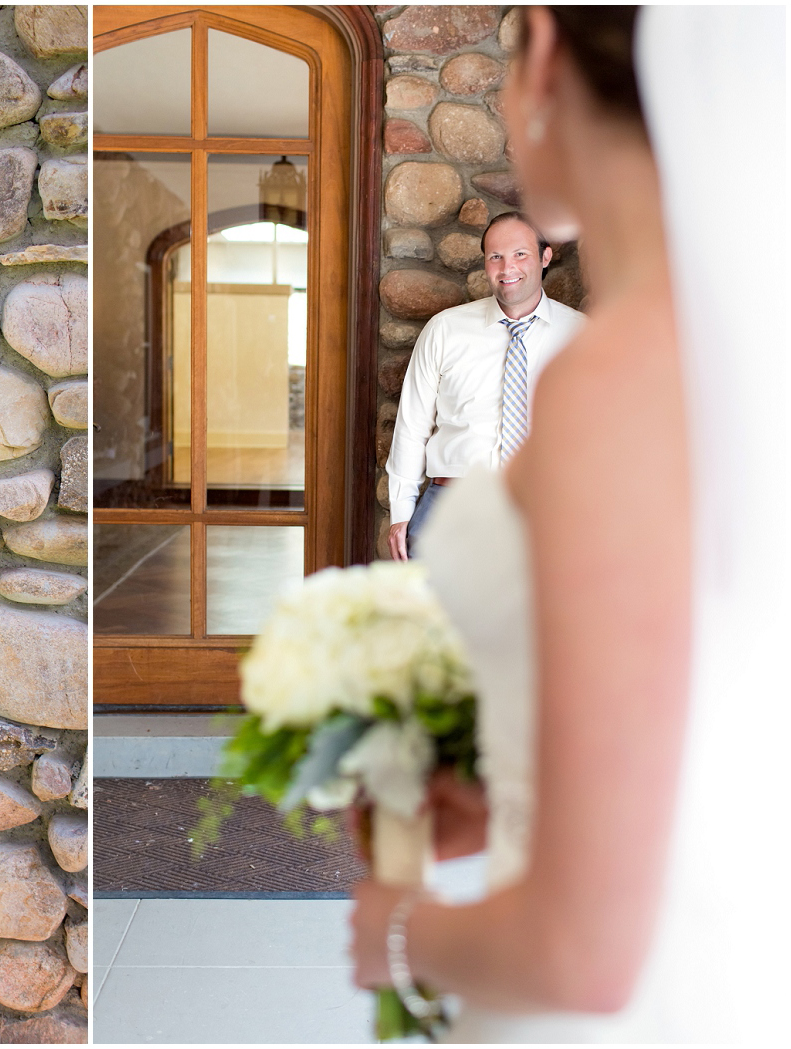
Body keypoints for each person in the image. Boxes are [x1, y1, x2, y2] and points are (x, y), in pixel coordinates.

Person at [350, 6, 787, 1041]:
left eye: (503, 66)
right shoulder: (735, 359)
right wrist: (510, 779)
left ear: (542, 51)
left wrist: (393, 932)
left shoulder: (609, 375)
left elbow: (582, 957)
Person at [385, 212, 584, 560]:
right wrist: (401, 513)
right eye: (496, 257)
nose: (507, 268)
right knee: (437, 615)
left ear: (545, 257)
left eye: (520, 254)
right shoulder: (444, 330)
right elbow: (412, 426)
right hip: (452, 507)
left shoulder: (582, 336)